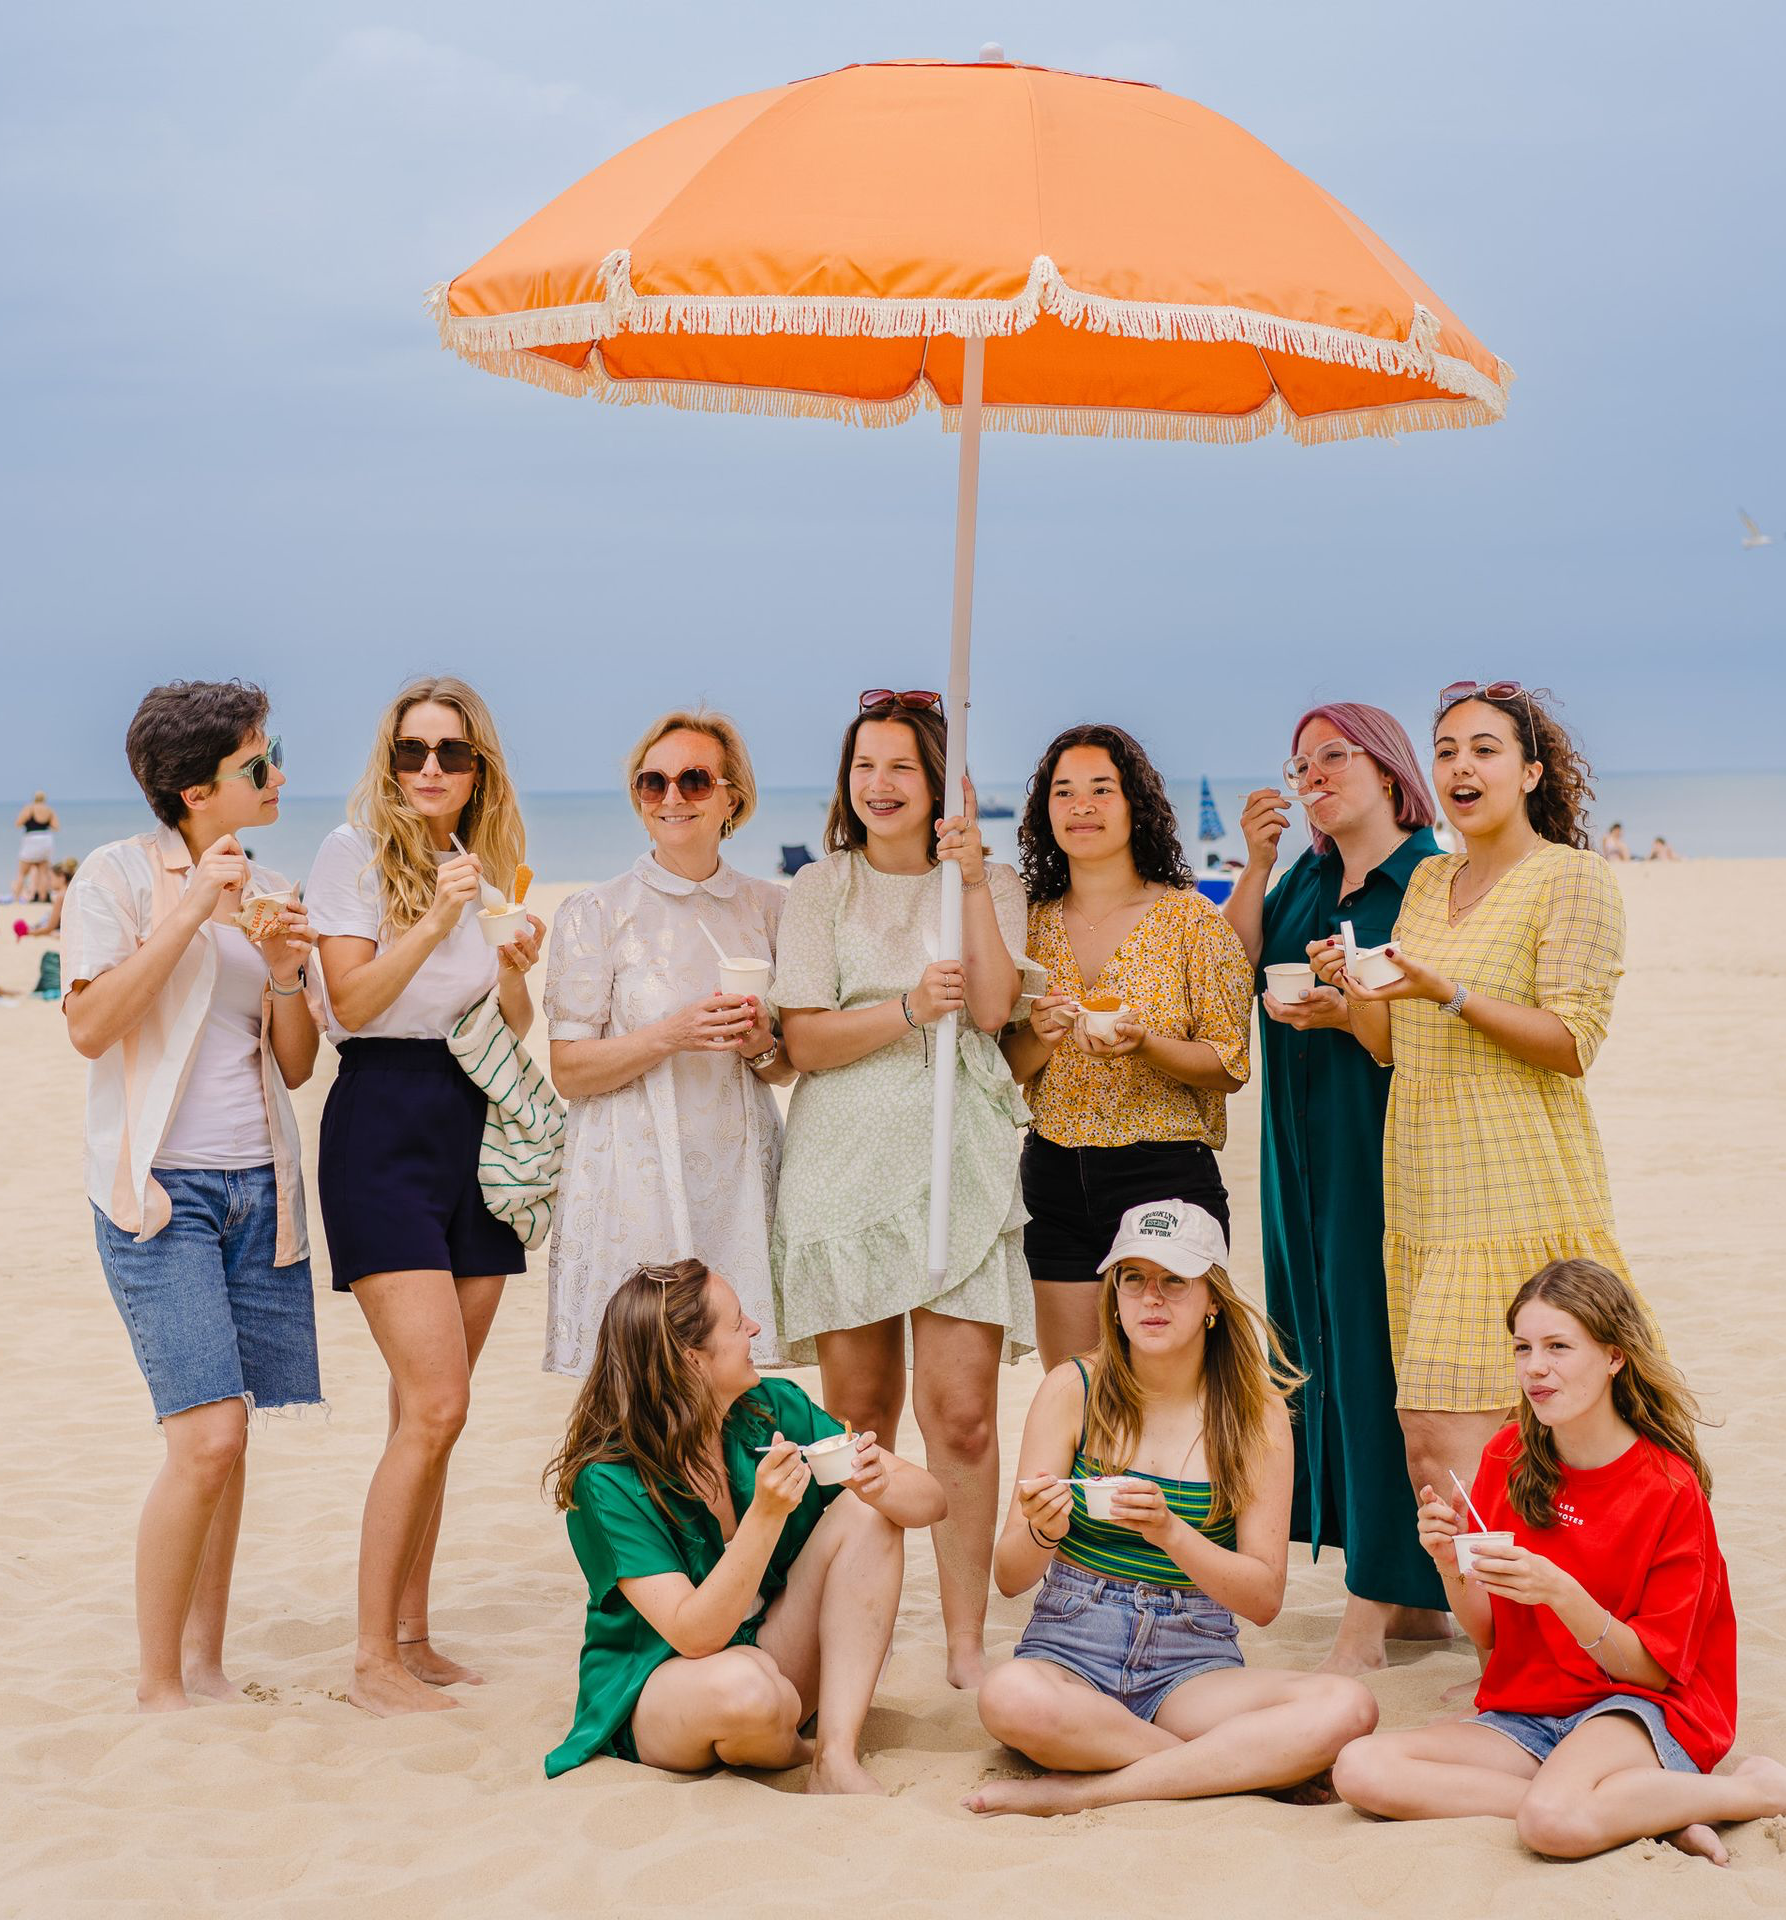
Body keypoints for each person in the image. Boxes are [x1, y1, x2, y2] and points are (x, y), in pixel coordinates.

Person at [1312, 681, 1636, 1529]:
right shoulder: (1428, 880)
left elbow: (1572, 1042)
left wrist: (1448, 991)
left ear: (1530, 772)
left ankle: (1527, 1613)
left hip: (1516, 1189)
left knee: (1461, 1442)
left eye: (1485, 750)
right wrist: (1355, 990)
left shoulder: (1570, 878)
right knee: (1444, 1456)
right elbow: (1390, 1045)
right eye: (1447, 750)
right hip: (1426, 1194)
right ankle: (1505, 1614)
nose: (1461, 766)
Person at [1335, 1259, 1785, 1864]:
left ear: (1614, 1356)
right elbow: (1489, 1633)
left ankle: (1750, 1791)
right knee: (1362, 1768)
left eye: (1558, 1347)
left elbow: (1652, 1674)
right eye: (1522, 1348)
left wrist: (1561, 1592)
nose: (1534, 1367)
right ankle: (1644, 1807)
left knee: (1552, 1824)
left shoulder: (1669, 1488)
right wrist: (1448, 1563)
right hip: (1533, 1709)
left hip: (1639, 1706)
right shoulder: (1509, 1454)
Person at [62, 681, 322, 1711]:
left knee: (233, 1435)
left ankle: (207, 1666)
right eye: (257, 764)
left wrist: (286, 971)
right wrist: (192, 908)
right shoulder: (117, 876)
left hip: (260, 1185)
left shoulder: (273, 883)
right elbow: (91, 1027)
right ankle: (157, 1683)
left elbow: (293, 1065)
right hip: (159, 1195)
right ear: (194, 790)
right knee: (204, 1437)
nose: (278, 775)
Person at [771, 690, 1034, 1689]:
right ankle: (858, 1637)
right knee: (859, 1423)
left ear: (939, 785)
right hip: (841, 1169)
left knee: (961, 1415)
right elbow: (803, 1041)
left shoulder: (988, 882)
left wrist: (967, 880)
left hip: (957, 1164)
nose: (878, 785)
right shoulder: (820, 889)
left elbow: (998, 1010)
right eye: (863, 767)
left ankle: (965, 1642)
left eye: (900, 768)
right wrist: (909, 1009)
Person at [965, 1199, 1376, 1815]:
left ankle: (1082, 1792)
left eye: (1175, 1280)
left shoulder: (1256, 1411)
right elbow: (1008, 1576)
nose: (1151, 1298)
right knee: (1009, 1696)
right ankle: (1232, 1770)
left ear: (1213, 1300)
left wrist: (1170, 1532)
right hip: (1072, 1645)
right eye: (1133, 1278)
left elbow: (1264, 1599)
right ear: (1114, 1297)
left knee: (1348, 1706)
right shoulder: (1073, 1387)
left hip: (1192, 1659)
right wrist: (1043, 1531)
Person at [306, 675, 543, 1717]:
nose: (431, 768)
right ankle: (370, 1662)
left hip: (473, 1122)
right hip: (382, 1125)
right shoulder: (351, 854)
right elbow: (352, 1004)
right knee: (437, 1401)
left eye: (450, 751)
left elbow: (505, 1026)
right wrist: (438, 916)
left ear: (478, 766)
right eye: (412, 751)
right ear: (390, 760)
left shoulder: (479, 860)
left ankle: (411, 1635)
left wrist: (515, 965)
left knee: (429, 1413)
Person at [1224, 705, 1449, 1674]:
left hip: (1387, 1150)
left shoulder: (1430, 880)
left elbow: (1437, 1015)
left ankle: (1372, 1606)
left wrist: (1350, 1009)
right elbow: (1227, 971)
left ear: (1389, 770)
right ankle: (1417, 1602)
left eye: (1332, 757)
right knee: (1318, 1354)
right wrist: (1255, 863)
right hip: (1298, 1160)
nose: (1312, 775)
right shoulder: (1308, 880)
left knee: (1377, 1364)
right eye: (1300, 764)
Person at [543, 1258, 946, 1792]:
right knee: (747, 1691)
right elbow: (695, 1636)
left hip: (771, 1655)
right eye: (737, 1324)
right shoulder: (608, 1480)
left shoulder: (769, 1408)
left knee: (870, 1513)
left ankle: (835, 1757)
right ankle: (798, 1748)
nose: (755, 1329)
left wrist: (879, 1485)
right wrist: (765, 1514)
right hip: (663, 1685)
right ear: (691, 1359)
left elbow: (931, 1502)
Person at [545, 709, 795, 1379]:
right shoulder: (595, 912)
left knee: (732, 1378)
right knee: (641, 1381)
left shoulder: (772, 909)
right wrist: (671, 1034)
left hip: (737, 1172)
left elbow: (783, 1068)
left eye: (694, 780)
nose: (672, 797)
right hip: (632, 1174)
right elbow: (568, 1071)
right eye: (652, 782)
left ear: (731, 798)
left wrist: (760, 1045)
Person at [1001, 724, 1253, 1373]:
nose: (1081, 806)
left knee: (1171, 1390)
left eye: (1101, 789)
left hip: (1163, 1175)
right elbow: (1005, 1069)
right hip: (1052, 1175)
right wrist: (1040, 1037)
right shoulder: (1026, 923)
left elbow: (1229, 1065)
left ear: (1136, 804)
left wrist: (1145, 1045)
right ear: (1044, 811)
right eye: (1063, 791)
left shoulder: (1192, 920)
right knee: (1077, 1388)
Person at [14, 790, 58, 902]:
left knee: (22, 873)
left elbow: (18, 823)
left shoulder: (29, 808)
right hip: (45, 839)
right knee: (43, 873)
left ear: (34, 798)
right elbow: (56, 827)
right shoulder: (49, 810)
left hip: (31, 839)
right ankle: (43, 898)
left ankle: (16, 898)